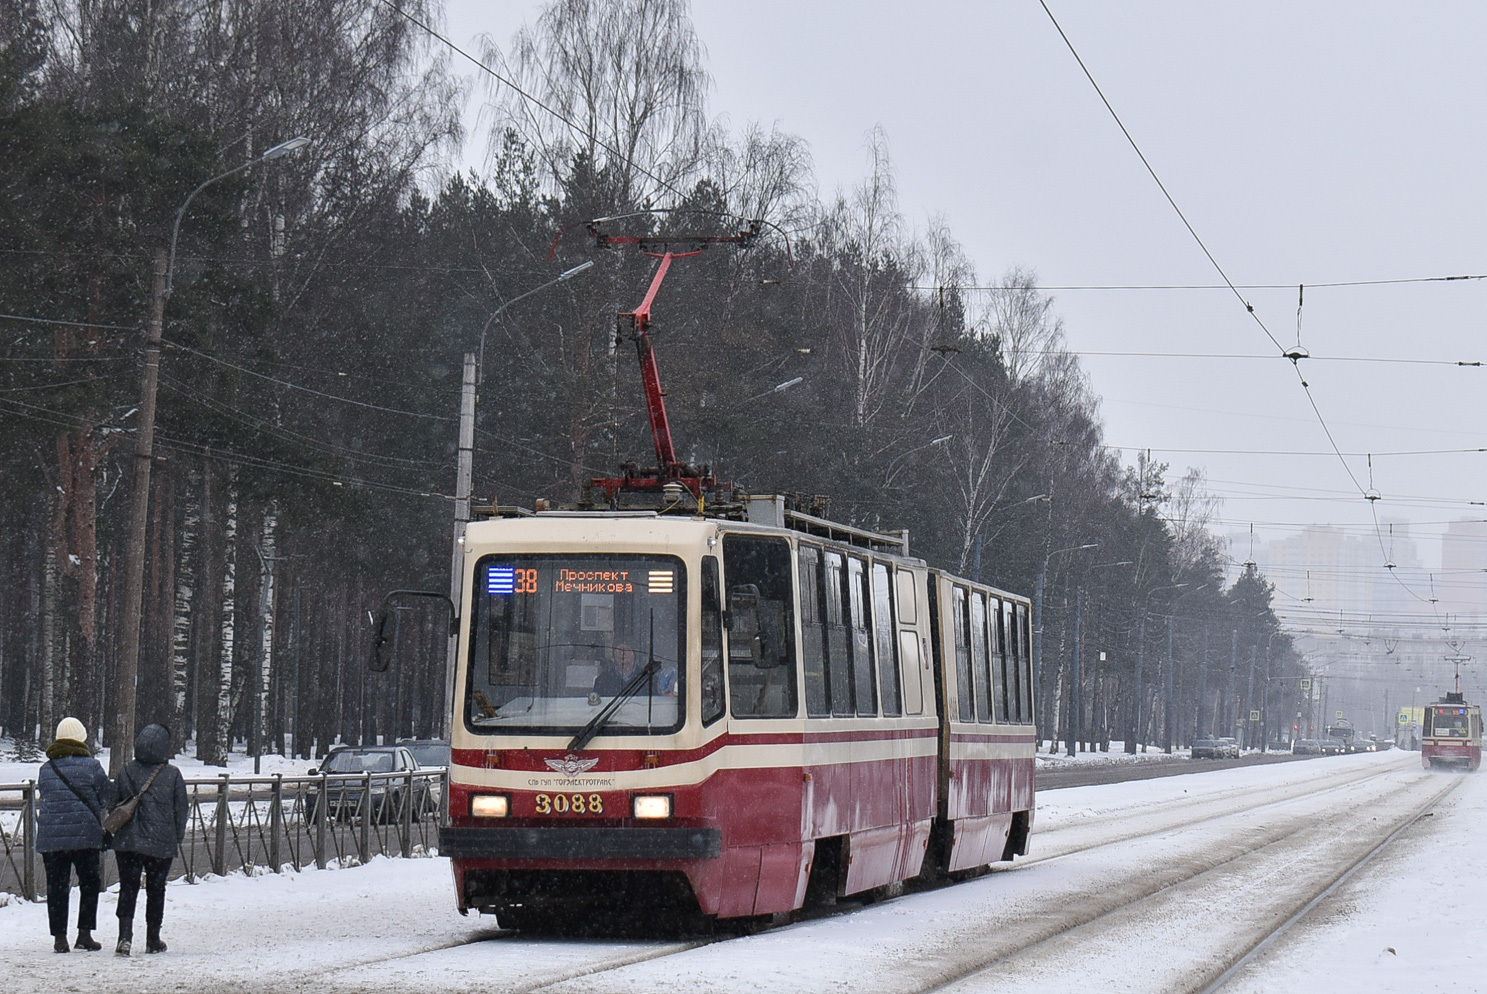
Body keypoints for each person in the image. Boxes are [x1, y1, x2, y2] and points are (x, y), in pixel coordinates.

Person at [36, 716, 114, 953]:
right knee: (90, 883)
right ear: (82, 739)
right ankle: (84, 934)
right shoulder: (92, 766)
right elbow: (106, 799)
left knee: (57, 887)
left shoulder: (46, 769)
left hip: (52, 838)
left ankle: (60, 938)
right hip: (86, 836)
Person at [110, 723, 188, 956]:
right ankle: (153, 938)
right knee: (156, 890)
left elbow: (113, 804)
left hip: (128, 843)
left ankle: (124, 937)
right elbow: (181, 810)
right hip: (160, 843)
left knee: (128, 888)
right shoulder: (172, 774)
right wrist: (176, 836)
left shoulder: (125, 770)